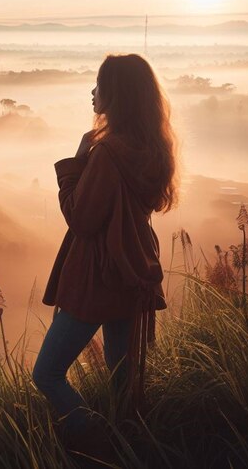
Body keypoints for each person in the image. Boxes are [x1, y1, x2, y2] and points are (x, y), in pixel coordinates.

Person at [32, 53, 179, 455]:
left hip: (96, 276)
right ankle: (133, 446)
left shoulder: (108, 153)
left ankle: (100, 446)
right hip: (135, 272)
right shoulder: (153, 147)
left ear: (115, 94)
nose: (92, 92)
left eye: (99, 85)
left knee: (46, 375)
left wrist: (75, 164)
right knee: (123, 383)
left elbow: (81, 219)